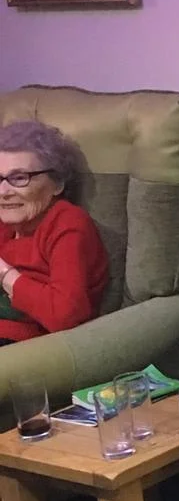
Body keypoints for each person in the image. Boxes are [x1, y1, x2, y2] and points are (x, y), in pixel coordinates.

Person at [0, 119, 108, 344]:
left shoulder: (68, 224)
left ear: (57, 184)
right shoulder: (7, 222)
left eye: (19, 178)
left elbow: (65, 315)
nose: (4, 192)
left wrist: (6, 274)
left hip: (29, 345)